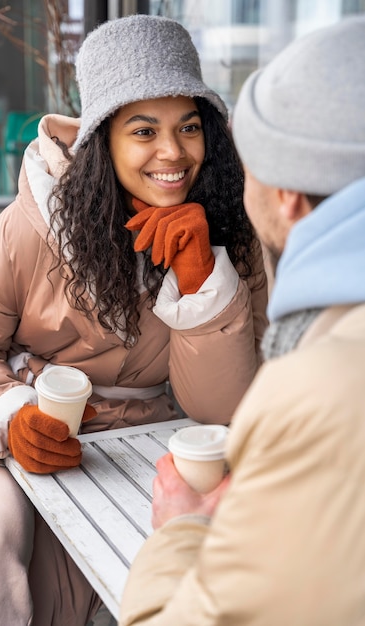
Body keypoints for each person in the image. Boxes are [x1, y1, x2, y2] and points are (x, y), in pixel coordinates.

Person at [0, 14, 268, 626]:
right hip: (17, 433)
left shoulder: (230, 232)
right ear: (101, 140)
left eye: (189, 127)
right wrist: (10, 417)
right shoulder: (28, 228)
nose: (173, 153)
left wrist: (202, 280)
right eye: (143, 130)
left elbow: (219, 410)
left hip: (155, 439)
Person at [119, 15, 365, 626]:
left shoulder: (319, 391)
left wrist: (180, 530)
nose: (175, 154)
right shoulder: (26, 228)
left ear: (287, 196)